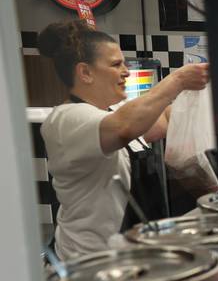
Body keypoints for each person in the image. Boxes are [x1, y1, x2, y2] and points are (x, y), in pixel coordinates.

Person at [38, 20, 209, 261]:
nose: (126, 71)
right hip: (89, 262)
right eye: (116, 64)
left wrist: (204, 97)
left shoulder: (112, 110)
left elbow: (162, 119)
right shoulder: (66, 120)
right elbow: (124, 127)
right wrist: (178, 80)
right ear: (85, 72)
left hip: (130, 252)